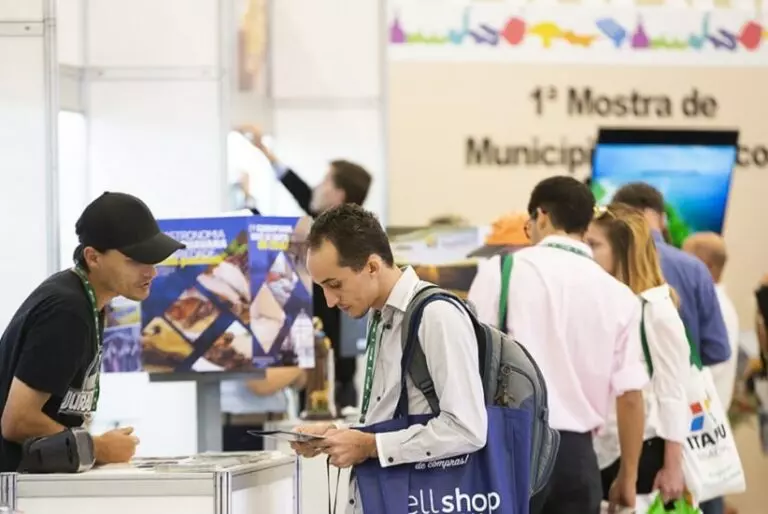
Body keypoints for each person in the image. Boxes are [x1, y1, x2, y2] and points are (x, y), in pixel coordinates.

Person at [289, 204, 487, 514]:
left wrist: (370, 446)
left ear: (372, 266)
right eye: (322, 288)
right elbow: (393, 415)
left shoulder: (436, 316)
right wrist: (340, 433)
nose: (329, 301)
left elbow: (466, 429)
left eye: (335, 284)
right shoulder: (380, 317)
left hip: (428, 499)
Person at [467, 176, 648, 514]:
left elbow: (469, 361)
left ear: (541, 216)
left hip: (509, 448)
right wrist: (628, 475)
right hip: (578, 460)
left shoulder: (501, 271)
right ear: (586, 225)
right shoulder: (620, 296)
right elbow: (631, 397)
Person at [0, 192, 186, 471]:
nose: (151, 272)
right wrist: (99, 447)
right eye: (135, 260)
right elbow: (17, 421)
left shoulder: (87, 302)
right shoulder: (67, 310)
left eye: (153, 260)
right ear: (93, 257)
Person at [237, 124, 372, 413]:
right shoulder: (346, 232)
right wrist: (265, 152)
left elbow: (273, 237)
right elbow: (301, 196)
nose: (316, 187)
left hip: (327, 372)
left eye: (324, 181)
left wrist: (248, 202)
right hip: (325, 367)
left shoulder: (334, 240)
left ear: (338, 194)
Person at [586, 203, 689, 504]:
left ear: (623, 251)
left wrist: (673, 466)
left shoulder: (656, 309)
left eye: (594, 244)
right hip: (601, 447)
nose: (585, 252)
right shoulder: (600, 301)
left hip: (643, 451)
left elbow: (674, 391)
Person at [612, 183, 731, 368]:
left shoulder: (605, 263)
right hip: (682, 380)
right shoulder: (695, 269)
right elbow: (717, 349)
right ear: (662, 218)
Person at [682, 233, 740, 410]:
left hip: (703, 411)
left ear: (705, 266)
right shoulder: (715, 304)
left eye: (685, 260)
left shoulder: (717, 307)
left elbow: (715, 365)